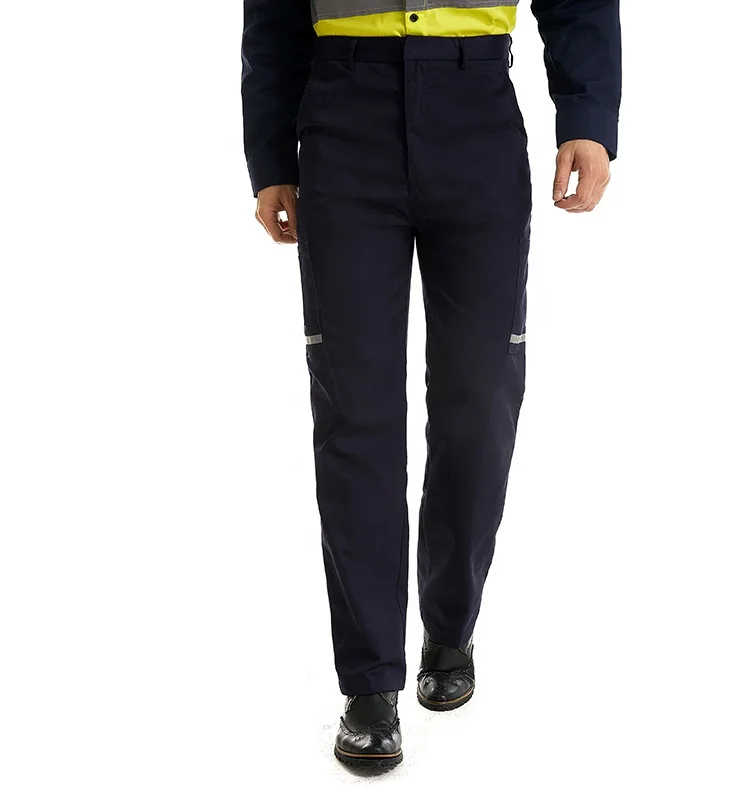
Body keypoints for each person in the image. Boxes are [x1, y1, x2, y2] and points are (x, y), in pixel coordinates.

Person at [242, 0, 621, 768]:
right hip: (344, 118)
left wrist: (587, 113)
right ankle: (369, 684)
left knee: (479, 401)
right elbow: (272, 12)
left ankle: (450, 631)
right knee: (355, 414)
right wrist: (271, 155)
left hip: (474, 110)